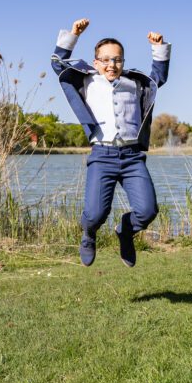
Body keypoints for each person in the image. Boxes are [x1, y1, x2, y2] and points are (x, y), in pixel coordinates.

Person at [50, 18, 171, 267]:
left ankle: (125, 231)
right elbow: (57, 64)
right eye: (105, 59)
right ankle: (88, 234)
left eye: (116, 59)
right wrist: (74, 35)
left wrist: (158, 48)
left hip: (132, 157)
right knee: (95, 214)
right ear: (96, 62)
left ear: (123, 62)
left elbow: (158, 76)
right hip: (102, 156)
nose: (111, 64)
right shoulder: (87, 80)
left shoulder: (134, 82)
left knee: (147, 211)